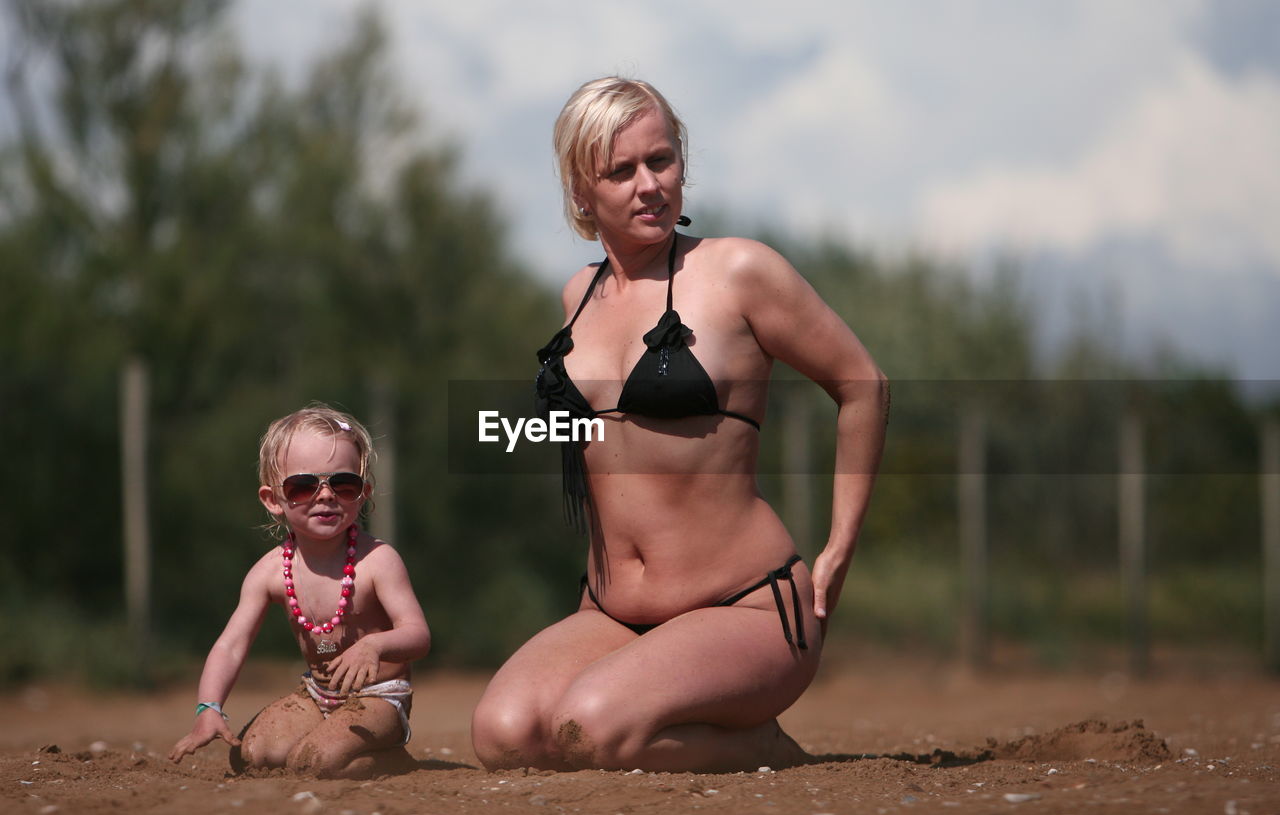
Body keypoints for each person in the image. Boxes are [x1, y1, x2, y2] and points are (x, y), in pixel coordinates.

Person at [471, 77, 888, 773]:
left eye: (661, 161)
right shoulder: (579, 295)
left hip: (745, 608)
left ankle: (760, 743)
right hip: (609, 614)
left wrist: (841, 544)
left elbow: (863, 384)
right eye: (622, 170)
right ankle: (666, 712)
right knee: (503, 733)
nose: (649, 185)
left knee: (590, 727)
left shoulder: (739, 271)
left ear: (682, 164)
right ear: (581, 190)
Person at [168, 405, 431, 778]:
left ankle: (390, 759)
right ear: (274, 499)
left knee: (317, 762)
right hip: (317, 694)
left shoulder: (378, 561)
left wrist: (375, 645)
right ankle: (334, 744)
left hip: (378, 698)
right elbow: (232, 644)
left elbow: (419, 636)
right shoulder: (271, 571)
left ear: (363, 493)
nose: (325, 496)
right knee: (253, 755)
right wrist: (207, 708)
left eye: (343, 484)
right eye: (303, 486)